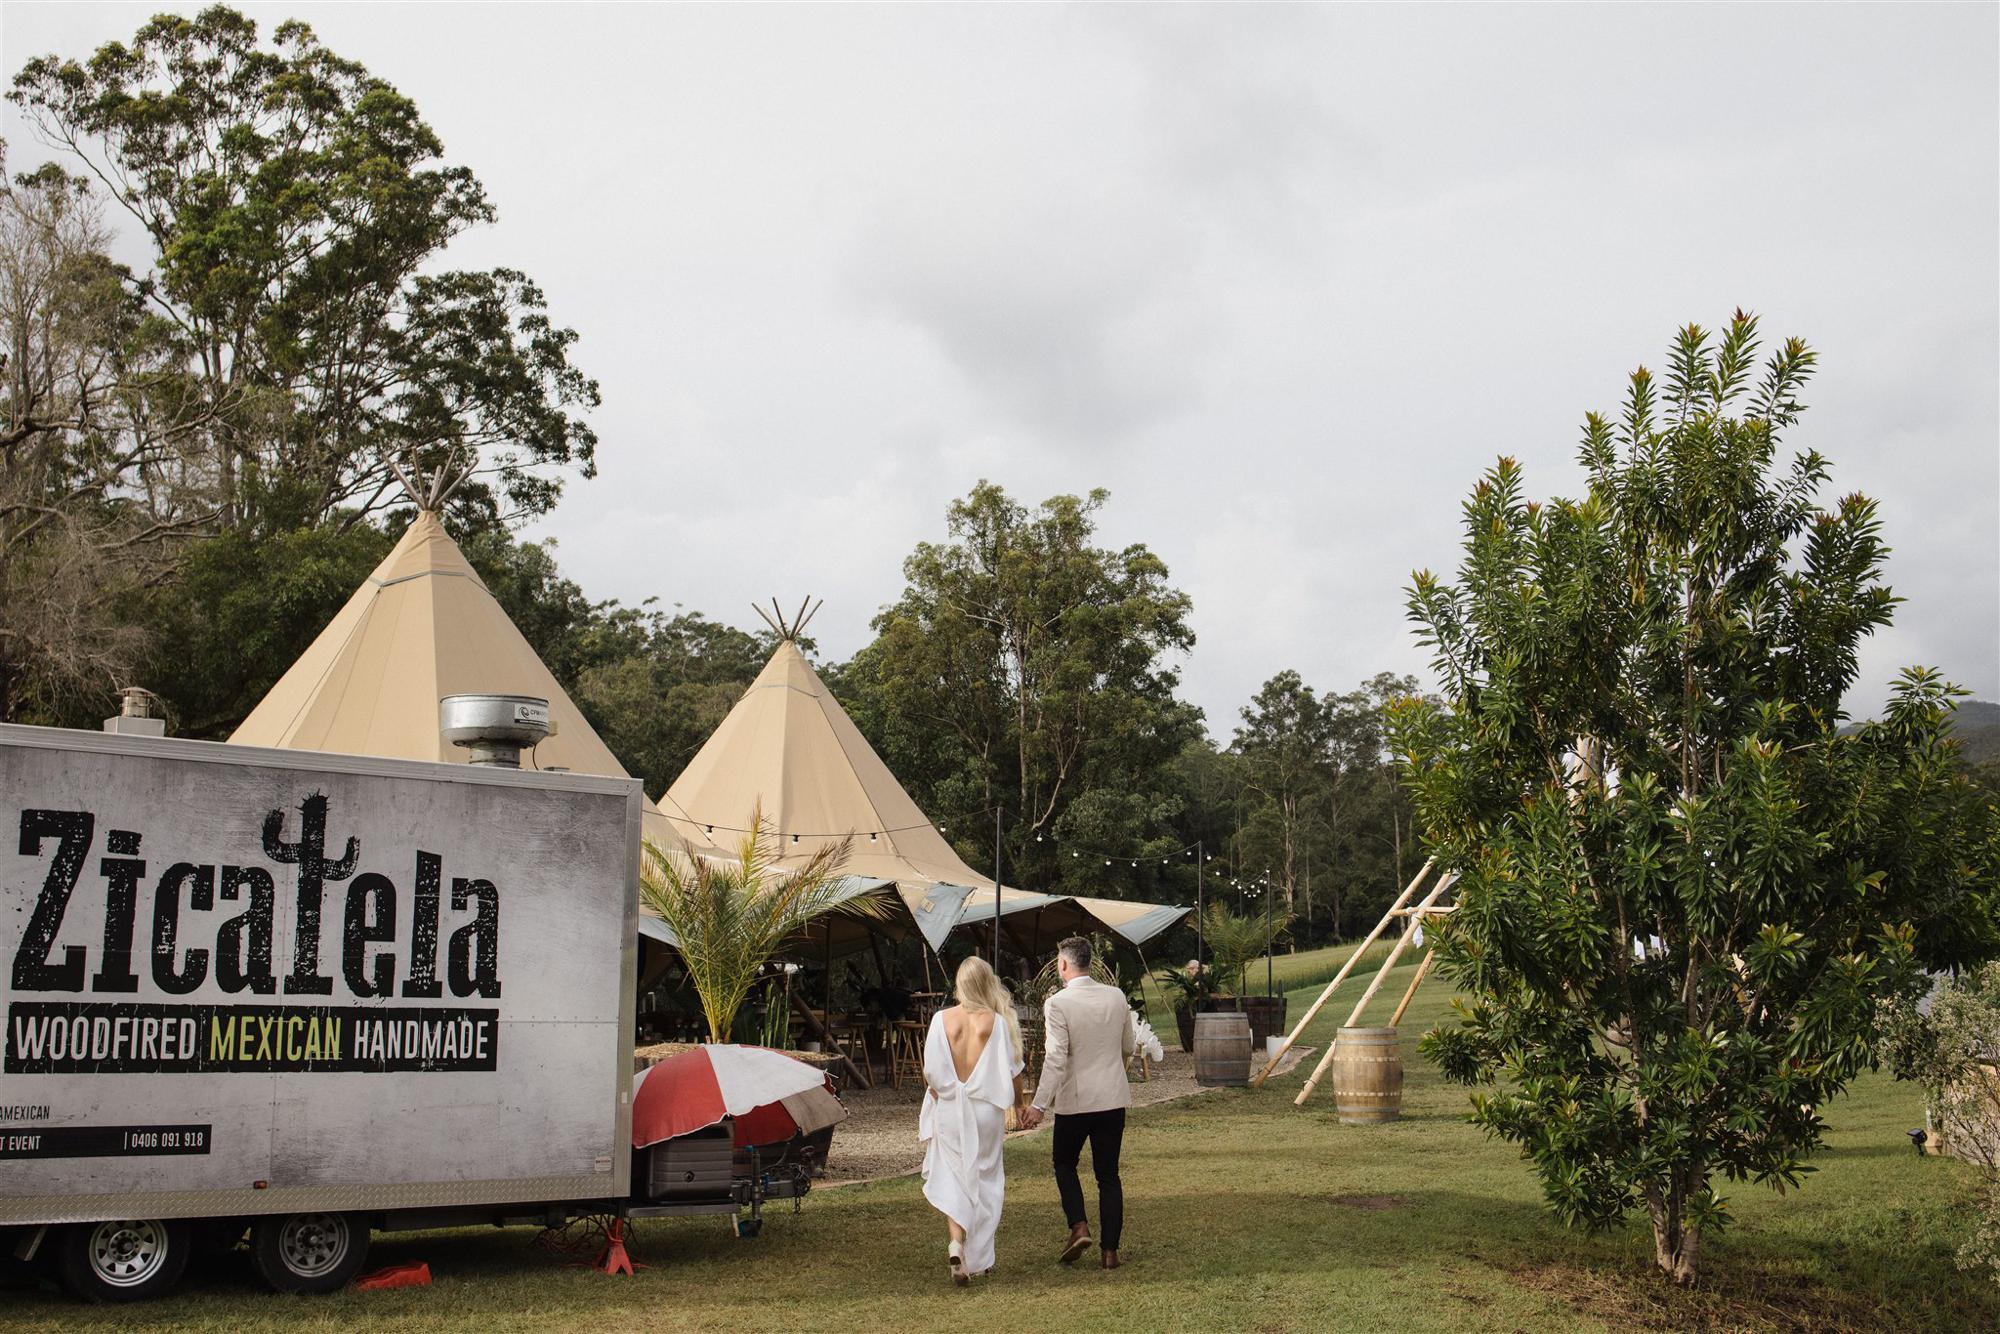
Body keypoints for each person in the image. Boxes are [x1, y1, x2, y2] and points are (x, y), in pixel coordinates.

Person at [1023, 936, 1136, 1270]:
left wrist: (1039, 1104)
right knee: (1108, 1176)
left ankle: (1079, 1225)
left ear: (1063, 965)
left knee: (1064, 1163)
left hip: (1076, 1101)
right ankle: (1110, 1253)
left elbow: (1056, 1058)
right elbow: (1128, 1045)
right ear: (1090, 962)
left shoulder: (1058, 1003)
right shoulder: (1116, 996)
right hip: (1112, 1099)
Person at [919, 954, 1030, 1286]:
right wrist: (1021, 1105)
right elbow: (1014, 1073)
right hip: (984, 1111)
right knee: (985, 1179)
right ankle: (981, 1258)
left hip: (950, 1108)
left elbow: (930, 1072)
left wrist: (943, 1094)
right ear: (987, 983)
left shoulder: (941, 1020)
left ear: (959, 984)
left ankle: (957, 1243)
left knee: (954, 1176)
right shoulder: (996, 1022)